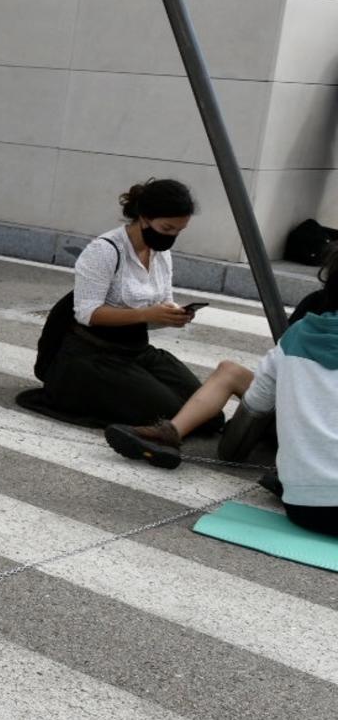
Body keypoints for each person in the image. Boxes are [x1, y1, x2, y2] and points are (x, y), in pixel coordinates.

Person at [108, 242, 338, 519]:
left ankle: (181, 435)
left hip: (301, 504)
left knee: (235, 374)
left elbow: (263, 396)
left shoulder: (301, 329)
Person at [40, 179, 241, 427]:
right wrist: (146, 314)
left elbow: (161, 304)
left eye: (179, 231)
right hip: (94, 354)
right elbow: (87, 313)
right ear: (144, 218)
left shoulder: (161, 254)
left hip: (138, 351)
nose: (172, 236)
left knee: (208, 412)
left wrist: (173, 315)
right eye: (167, 228)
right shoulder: (104, 250)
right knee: (167, 414)